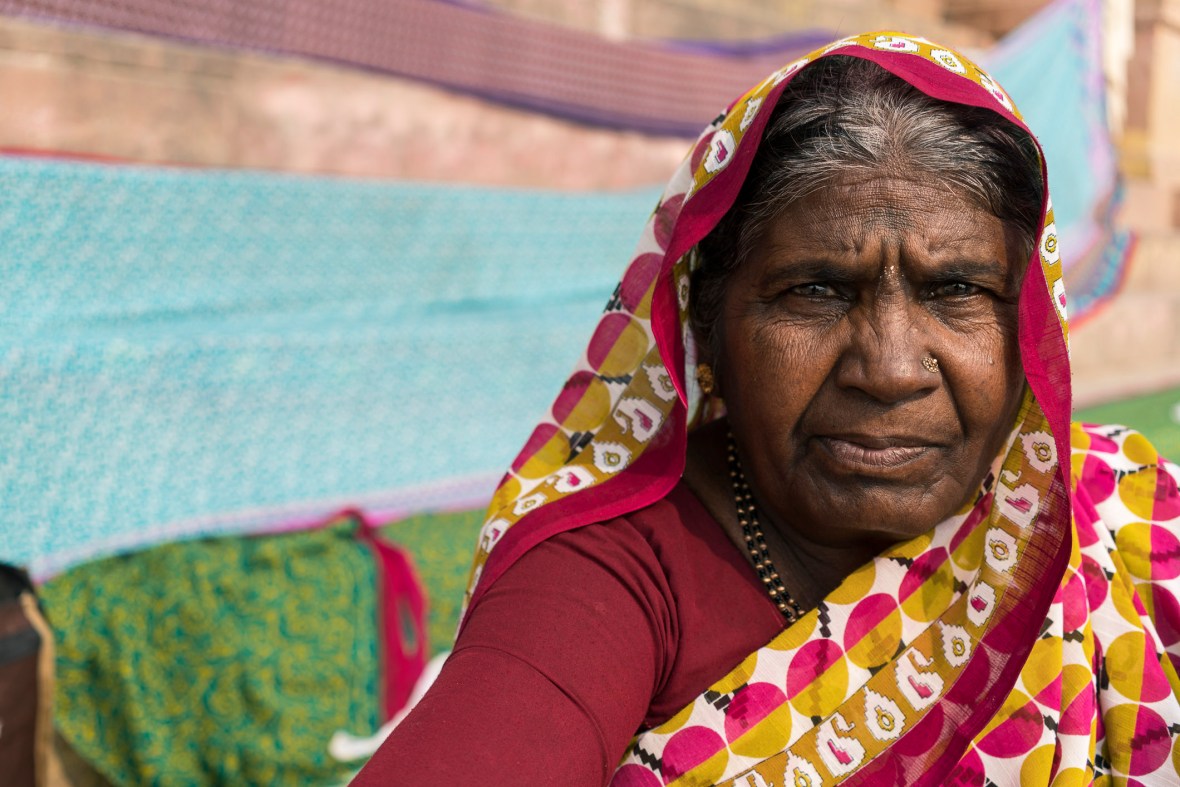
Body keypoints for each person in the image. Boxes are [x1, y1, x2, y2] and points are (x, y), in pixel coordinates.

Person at [352, 32, 1180, 785]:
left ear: (1031, 324)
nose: (890, 369)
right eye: (815, 290)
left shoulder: (1116, 518)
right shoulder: (613, 572)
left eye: (957, 289)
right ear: (705, 329)